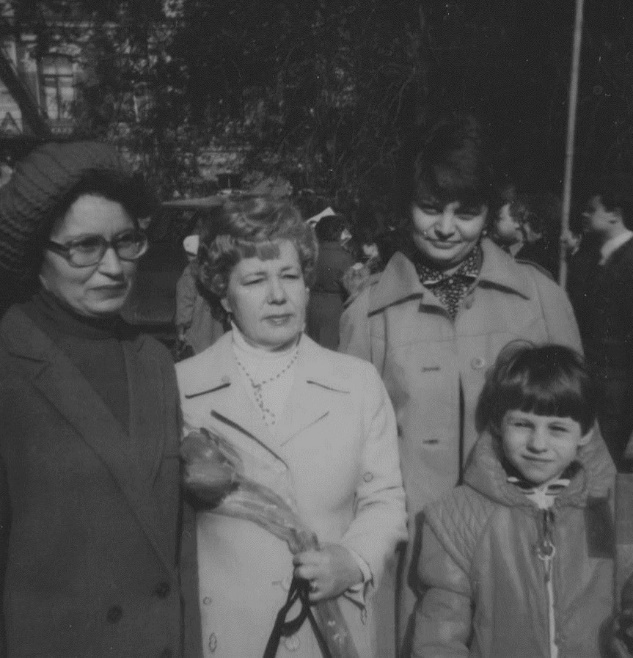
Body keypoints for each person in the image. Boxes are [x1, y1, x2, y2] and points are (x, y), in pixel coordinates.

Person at [338, 113, 583, 656]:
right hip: (409, 560)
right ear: (406, 205)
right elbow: (347, 458)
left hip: (521, 555)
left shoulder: (540, 299)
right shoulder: (368, 315)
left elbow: (582, 439)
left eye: (466, 212)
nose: (446, 227)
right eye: (430, 208)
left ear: (490, 213)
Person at [176, 196, 407, 657]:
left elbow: (384, 499)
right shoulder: (183, 389)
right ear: (223, 293)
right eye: (255, 280)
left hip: (329, 632)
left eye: (290, 276)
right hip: (228, 638)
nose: (278, 295)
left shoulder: (357, 382)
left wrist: (354, 560)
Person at [0, 142, 187, 656]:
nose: (113, 267)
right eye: (85, 246)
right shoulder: (9, 364)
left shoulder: (154, 360)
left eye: (126, 241)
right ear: (36, 254)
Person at [411, 342, 615, 657]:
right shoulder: (457, 517)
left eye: (558, 429)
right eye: (522, 424)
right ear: (498, 423)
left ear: (586, 433)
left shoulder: (612, 508)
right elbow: (440, 637)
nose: (538, 444)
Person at [570, 174, 633, 469]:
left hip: (618, 379)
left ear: (614, 215)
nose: (584, 215)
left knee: (605, 458)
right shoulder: (595, 257)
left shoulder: (629, 260)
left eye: (591, 210)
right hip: (595, 373)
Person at [305, 213, 355, 349]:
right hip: (335, 306)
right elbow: (351, 286)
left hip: (312, 303)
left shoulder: (311, 254)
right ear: (339, 232)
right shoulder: (344, 257)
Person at [175, 233, 226, 359]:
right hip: (216, 328)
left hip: (196, 331)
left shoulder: (188, 276)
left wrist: (181, 331)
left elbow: (185, 306)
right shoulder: (213, 273)